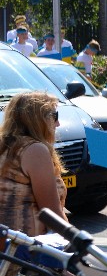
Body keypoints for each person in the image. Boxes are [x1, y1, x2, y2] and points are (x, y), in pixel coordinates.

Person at [0, 92, 67, 237]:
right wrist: (78, 245)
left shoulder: (4, 145)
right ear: (37, 119)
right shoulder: (34, 150)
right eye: (54, 115)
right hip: (25, 251)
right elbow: (52, 214)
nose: (58, 123)